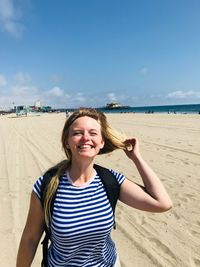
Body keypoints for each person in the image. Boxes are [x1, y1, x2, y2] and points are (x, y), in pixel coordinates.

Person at [16, 108, 172, 267]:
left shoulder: (110, 180)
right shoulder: (47, 185)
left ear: (102, 142)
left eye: (93, 133)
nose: (85, 138)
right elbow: (30, 239)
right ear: (67, 142)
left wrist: (136, 158)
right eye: (77, 133)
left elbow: (162, 203)